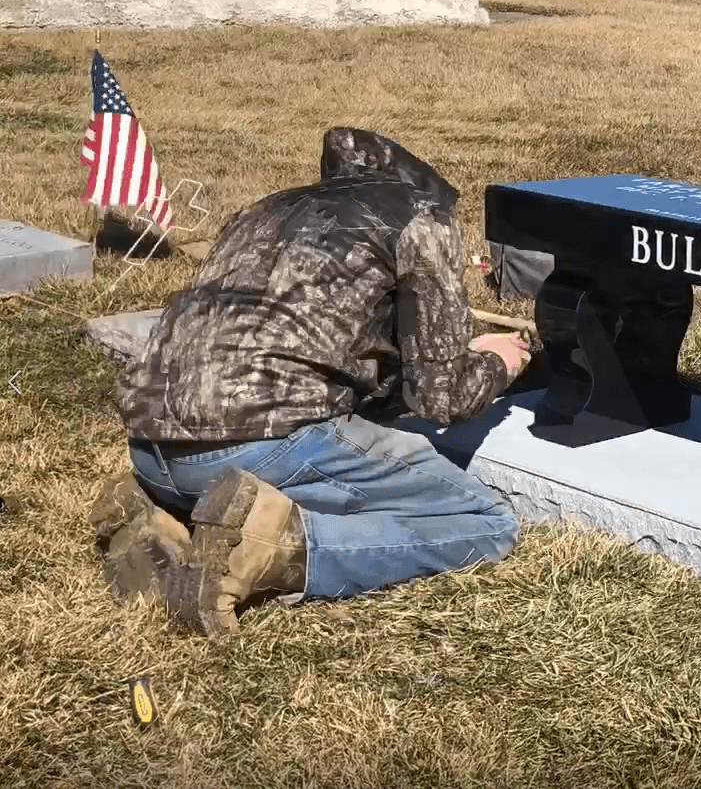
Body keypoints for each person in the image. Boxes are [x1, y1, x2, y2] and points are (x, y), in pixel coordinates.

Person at [90, 127, 532, 640]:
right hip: (256, 444)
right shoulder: (421, 218)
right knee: (486, 522)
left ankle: (162, 511)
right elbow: (440, 399)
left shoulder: (264, 211)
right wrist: (497, 363)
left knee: (282, 452)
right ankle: (276, 550)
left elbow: (322, 343)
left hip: (149, 447)